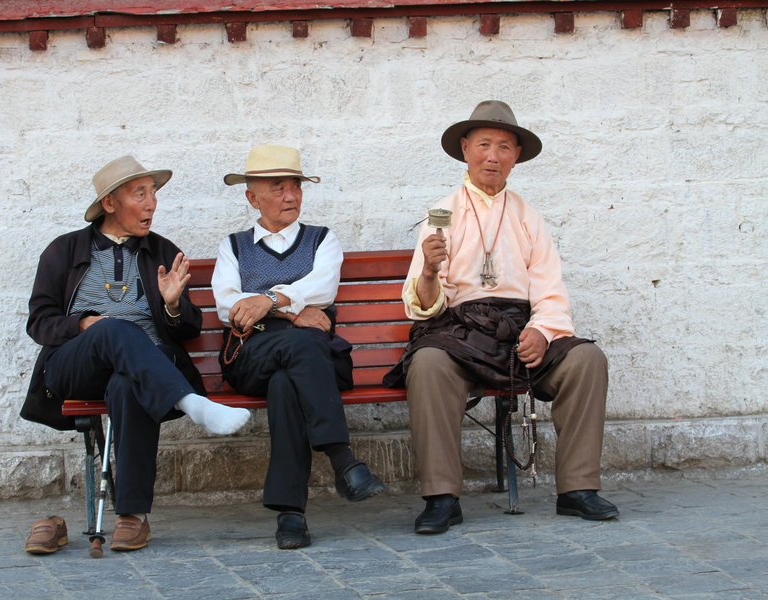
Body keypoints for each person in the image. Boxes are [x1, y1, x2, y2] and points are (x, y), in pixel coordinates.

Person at [384, 101, 618, 534]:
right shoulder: (442, 215)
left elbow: (550, 291)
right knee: (429, 363)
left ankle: (576, 490)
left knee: (588, 360)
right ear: (465, 148)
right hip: (461, 331)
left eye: (505, 147)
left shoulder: (530, 217)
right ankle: (441, 496)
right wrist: (432, 271)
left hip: (519, 330)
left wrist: (543, 331)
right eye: (485, 145)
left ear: (516, 157)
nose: (493, 156)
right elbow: (421, 305)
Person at [21, 155, 250, 554]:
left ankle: (132, 516)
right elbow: (39, 322)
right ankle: (192, 403)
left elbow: (189, 329)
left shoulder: (163, 251)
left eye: (153, 193)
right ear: (110, 203)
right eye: (139, 193)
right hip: (75, 366)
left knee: (129, 384)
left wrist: (173, 305)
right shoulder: (64, 250)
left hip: (145, 369)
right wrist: (82, 326)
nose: (151, 203)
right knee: (112, 327)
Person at [212, 144, 385, 549]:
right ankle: (343, 460)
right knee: (299, 346)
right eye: (278, 188)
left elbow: (323, 287)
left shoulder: (322, 239)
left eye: (295, 187)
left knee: (287, 382)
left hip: (312, 362)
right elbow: (228, 308)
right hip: (251, 356)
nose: (291, 196)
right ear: (252, 197)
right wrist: (291, 310)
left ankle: (291, 515)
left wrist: (266, 301)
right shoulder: (233, 246)